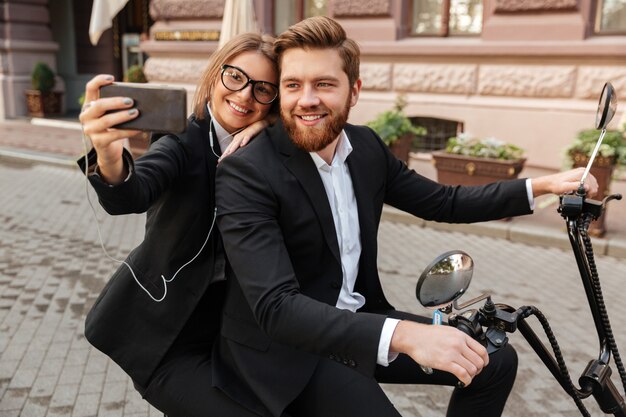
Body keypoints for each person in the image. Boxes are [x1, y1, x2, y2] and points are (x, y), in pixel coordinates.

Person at [213, 16, 599, 417]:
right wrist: (405, 335)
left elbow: (444, 201)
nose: (306, 99)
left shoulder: (365, 148)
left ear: (354, 91)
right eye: (293, 85)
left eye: (324, 84)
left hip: (359, 319)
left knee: (493, 361)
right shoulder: (248, 169)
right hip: (288, 352)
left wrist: (545, 185)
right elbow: (277, 308)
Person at [77, 32, 279, 417]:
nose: (245, 96)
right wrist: (106, 153)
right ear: (215, 75)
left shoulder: (266, 147)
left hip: (231, 342)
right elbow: (130, 194)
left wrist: (268, 127)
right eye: (236, 78)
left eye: (263, 88)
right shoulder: (182, 140)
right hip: (164, 340)